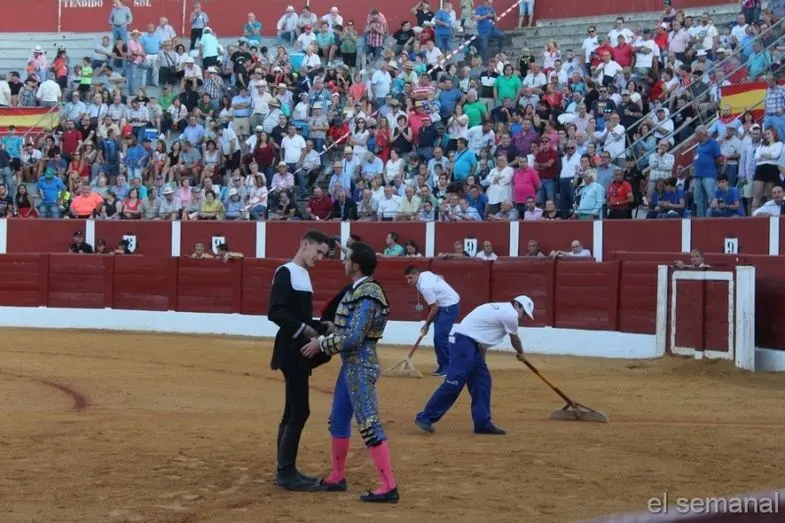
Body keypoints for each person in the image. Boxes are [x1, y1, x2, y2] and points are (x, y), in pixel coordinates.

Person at [300, 242, 400, 503]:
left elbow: (355, 337)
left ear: (355, 266)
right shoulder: (359, 290)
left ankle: (389, 486)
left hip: (362, 365)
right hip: (350, 365)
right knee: (338, 420)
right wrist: (325, 330)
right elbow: (347, 330)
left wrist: (321, 344)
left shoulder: (368, 294)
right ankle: (337, 476)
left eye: (347, 260)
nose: (343, 263)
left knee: (368, 422)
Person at [267, 230, 334, 491]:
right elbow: (275, 312)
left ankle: (285, 468)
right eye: (318, 252)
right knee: (299, 411)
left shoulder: (302, 274)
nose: (320, 258)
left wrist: (321, 325)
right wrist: (304, 329)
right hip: (292, 349)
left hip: (297, 347)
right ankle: (286, 472)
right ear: (304, 245)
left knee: (292, 411)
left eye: (324, 254)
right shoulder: (286, 272)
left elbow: (299, 317)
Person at [414, 295, 535, 435]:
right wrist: (521, 353)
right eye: (524, 313)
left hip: (471, 345)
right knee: (454, 383)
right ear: (517, 305)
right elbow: (514, 339)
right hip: (464, 343)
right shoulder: (510, 314)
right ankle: (425, 417)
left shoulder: (499, 308)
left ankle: (483, 423)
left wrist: (481, 363)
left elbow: (481, 337)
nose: (523, 317)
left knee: (482, 381)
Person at [403, 265, 460, 377]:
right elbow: (440, 277)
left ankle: (448, 368)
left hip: (449, 306)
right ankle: (443, 366)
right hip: (444, 304)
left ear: (417, 274)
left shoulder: (425, 287)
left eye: (410, 278)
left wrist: (427, 324)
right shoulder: (425, 273)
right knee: (438, 337)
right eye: (407, 278)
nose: (408, 281)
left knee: (440, 337)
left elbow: (434, 308)